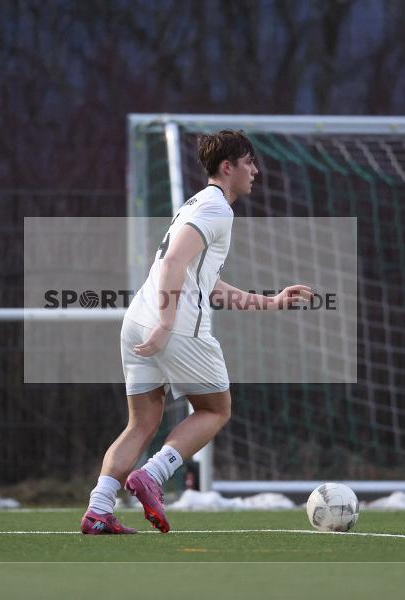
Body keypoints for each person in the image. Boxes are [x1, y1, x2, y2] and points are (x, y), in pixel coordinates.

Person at [81, 130, 312, 534]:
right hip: (177, 325)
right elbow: (172, 264)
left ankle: (99, 509)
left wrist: (272, 301)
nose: (255, 171)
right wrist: (168, 325)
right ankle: (152, 475)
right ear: (228, 167)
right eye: (249, 163)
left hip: (139, 317)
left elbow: (205, 283)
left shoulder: (198, 205)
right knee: (215, 410)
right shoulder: (217, 209)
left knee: (141, 423)